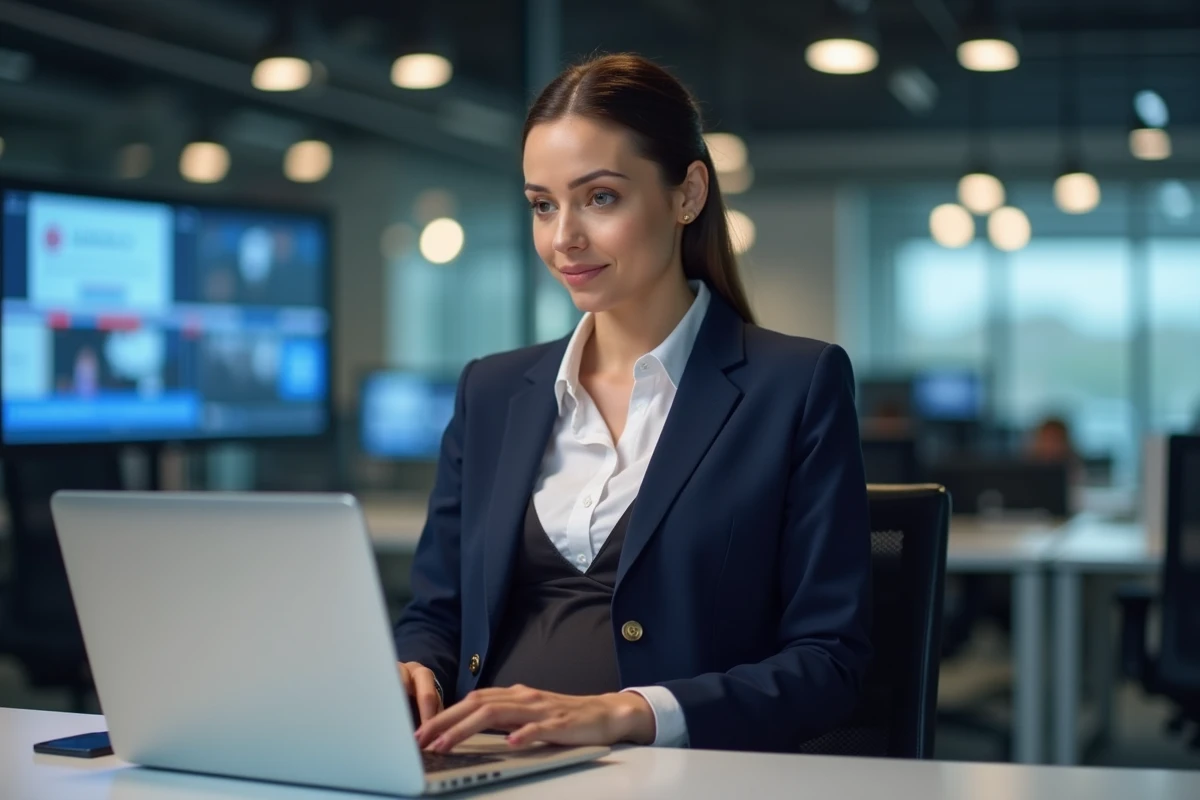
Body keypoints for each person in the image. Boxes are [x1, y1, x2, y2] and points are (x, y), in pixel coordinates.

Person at [392, 53, 872, 755]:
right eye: (543, 205)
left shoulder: (795, 386)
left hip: (681, 776)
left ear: (688, 194)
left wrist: (630, 713)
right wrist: (414, 668)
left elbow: (829, 664)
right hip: (483, 766)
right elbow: (435, 614)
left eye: (600, 198)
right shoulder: (491, 391)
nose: (564, 238)